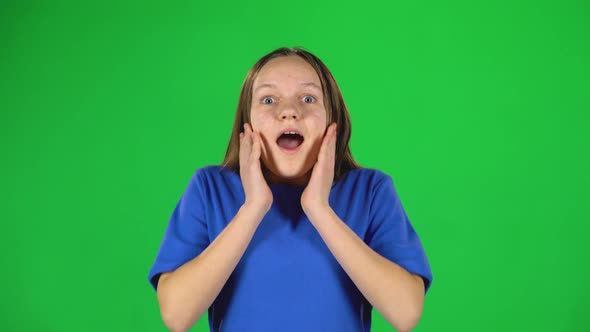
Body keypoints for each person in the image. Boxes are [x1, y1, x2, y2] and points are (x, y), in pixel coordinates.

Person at [148, 47, 433, 332]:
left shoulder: (371, 190)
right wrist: (253, 208)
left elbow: (406, 313)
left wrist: (319, 209)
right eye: (268, 99)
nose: (288, 112)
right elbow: (176, 314)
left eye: (308, 98)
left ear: (332, 120)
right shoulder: (210, 188)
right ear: (246, 123)